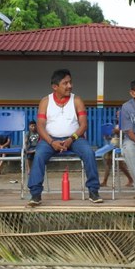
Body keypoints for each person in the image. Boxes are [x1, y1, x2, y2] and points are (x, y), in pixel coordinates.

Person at [27, 69, 103, 206]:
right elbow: (40, 126)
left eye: (70, 82)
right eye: (65, 83)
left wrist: (71, 139)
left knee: (89, 153)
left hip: (75, 139)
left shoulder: (77, 100)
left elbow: (83, 125)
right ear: (55, 87)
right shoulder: (45, 101)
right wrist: (52, 141)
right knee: (38, 155)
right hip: (49, 139)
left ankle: (93, 191)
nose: (70, 86)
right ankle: (35, 194)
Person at [99, 111, 134, 188]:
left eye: (119, 115)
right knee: (109, 162)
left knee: (120, 165)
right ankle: (105, 181)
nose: (118, 117)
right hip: (113, 144)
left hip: (121, 145)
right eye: (117, 115)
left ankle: (131, 179)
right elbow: (114, 136)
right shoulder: (117, 125)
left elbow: (127, 134)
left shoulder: (127, 124)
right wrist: (108, 135)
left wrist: (117, 131)